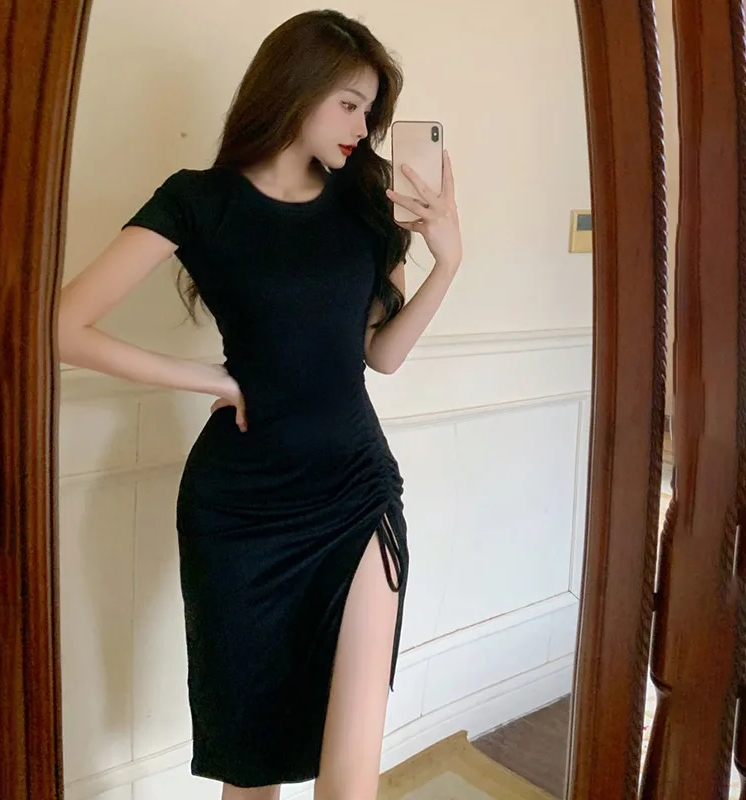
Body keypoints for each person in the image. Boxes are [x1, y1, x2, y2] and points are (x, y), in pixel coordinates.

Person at [58, 9, 462, 800]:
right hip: (239, 513)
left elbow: (382, 355)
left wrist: (448, 262)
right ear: (295, 88)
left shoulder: (366, 201)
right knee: (251, 771)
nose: (364, 129)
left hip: (356, 492)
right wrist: (213, 380)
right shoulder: (198, 201)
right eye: (349, 104)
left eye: (371, 111)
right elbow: (63, 327)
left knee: (351, 777)